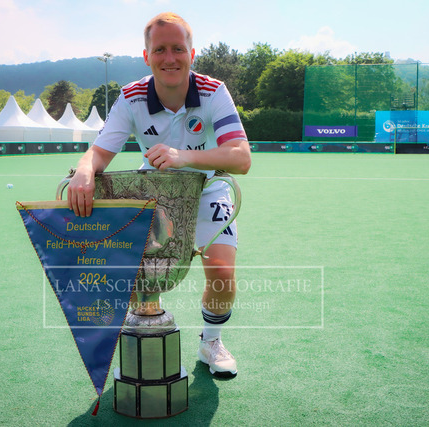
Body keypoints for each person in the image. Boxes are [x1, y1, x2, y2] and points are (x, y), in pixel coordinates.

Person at [67, 12, 251, 377]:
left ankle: (211, 341)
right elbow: (99, 153)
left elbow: (241, 157)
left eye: (178, 49)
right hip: (155, 194)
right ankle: (148, 323)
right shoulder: (131, 96)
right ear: (147, 56)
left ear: (191, 54)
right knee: (142, 278)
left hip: (207, 188)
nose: (170, 58)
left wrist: (184, 157)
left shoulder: (213, 91)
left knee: (222, 273)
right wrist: (85, 169)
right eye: (160, 50)